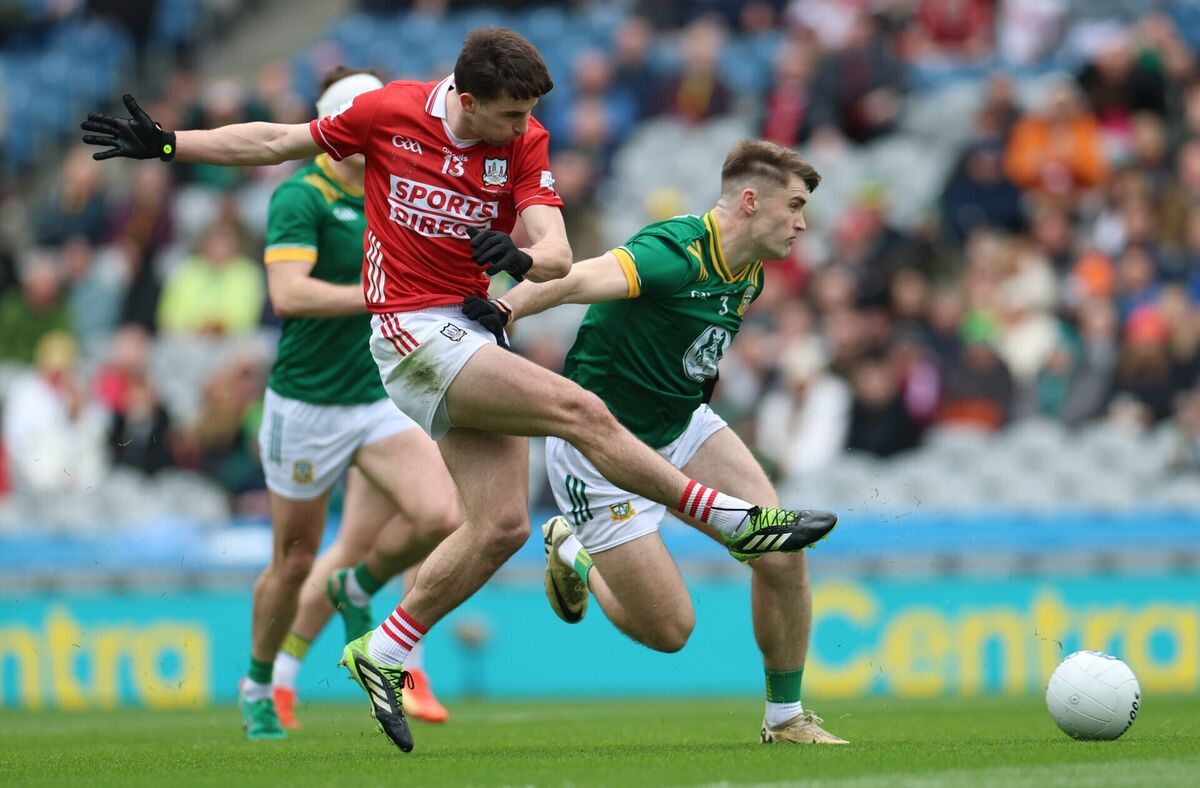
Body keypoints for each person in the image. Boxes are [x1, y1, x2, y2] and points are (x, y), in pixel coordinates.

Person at [81, 27, 836, 753]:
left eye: (531, 113)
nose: (524, 127)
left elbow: (559, 253)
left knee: (500, 526)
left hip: (473, 333)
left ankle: (384, 649)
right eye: (511, 113)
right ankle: (732, 522)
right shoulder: (391, 113)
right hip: (408, 330)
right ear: (467, 101)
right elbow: (278, 140)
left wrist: (521, 258)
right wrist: (174, 144)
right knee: (580, 409)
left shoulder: (526, 142)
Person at [464, 140, 847, 745]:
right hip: (600, 452)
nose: (803, 222)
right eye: (795, 205)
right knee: (670, 631)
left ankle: (786, 719)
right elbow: (577, 279)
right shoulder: (673, 252)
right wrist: (507, 307)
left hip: (682, 426)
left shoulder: (749, 271)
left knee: (780, 546)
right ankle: (574, 553)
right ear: (750, 201)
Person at [238, 67, 459, 739]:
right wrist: (384, 294)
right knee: (294, 559)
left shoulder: (393, 190)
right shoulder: (300, 198)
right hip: (306, 406)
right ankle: (258, 681)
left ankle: (357, 591)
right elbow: (289, 296)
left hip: (376, 396)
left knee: (440, 515)